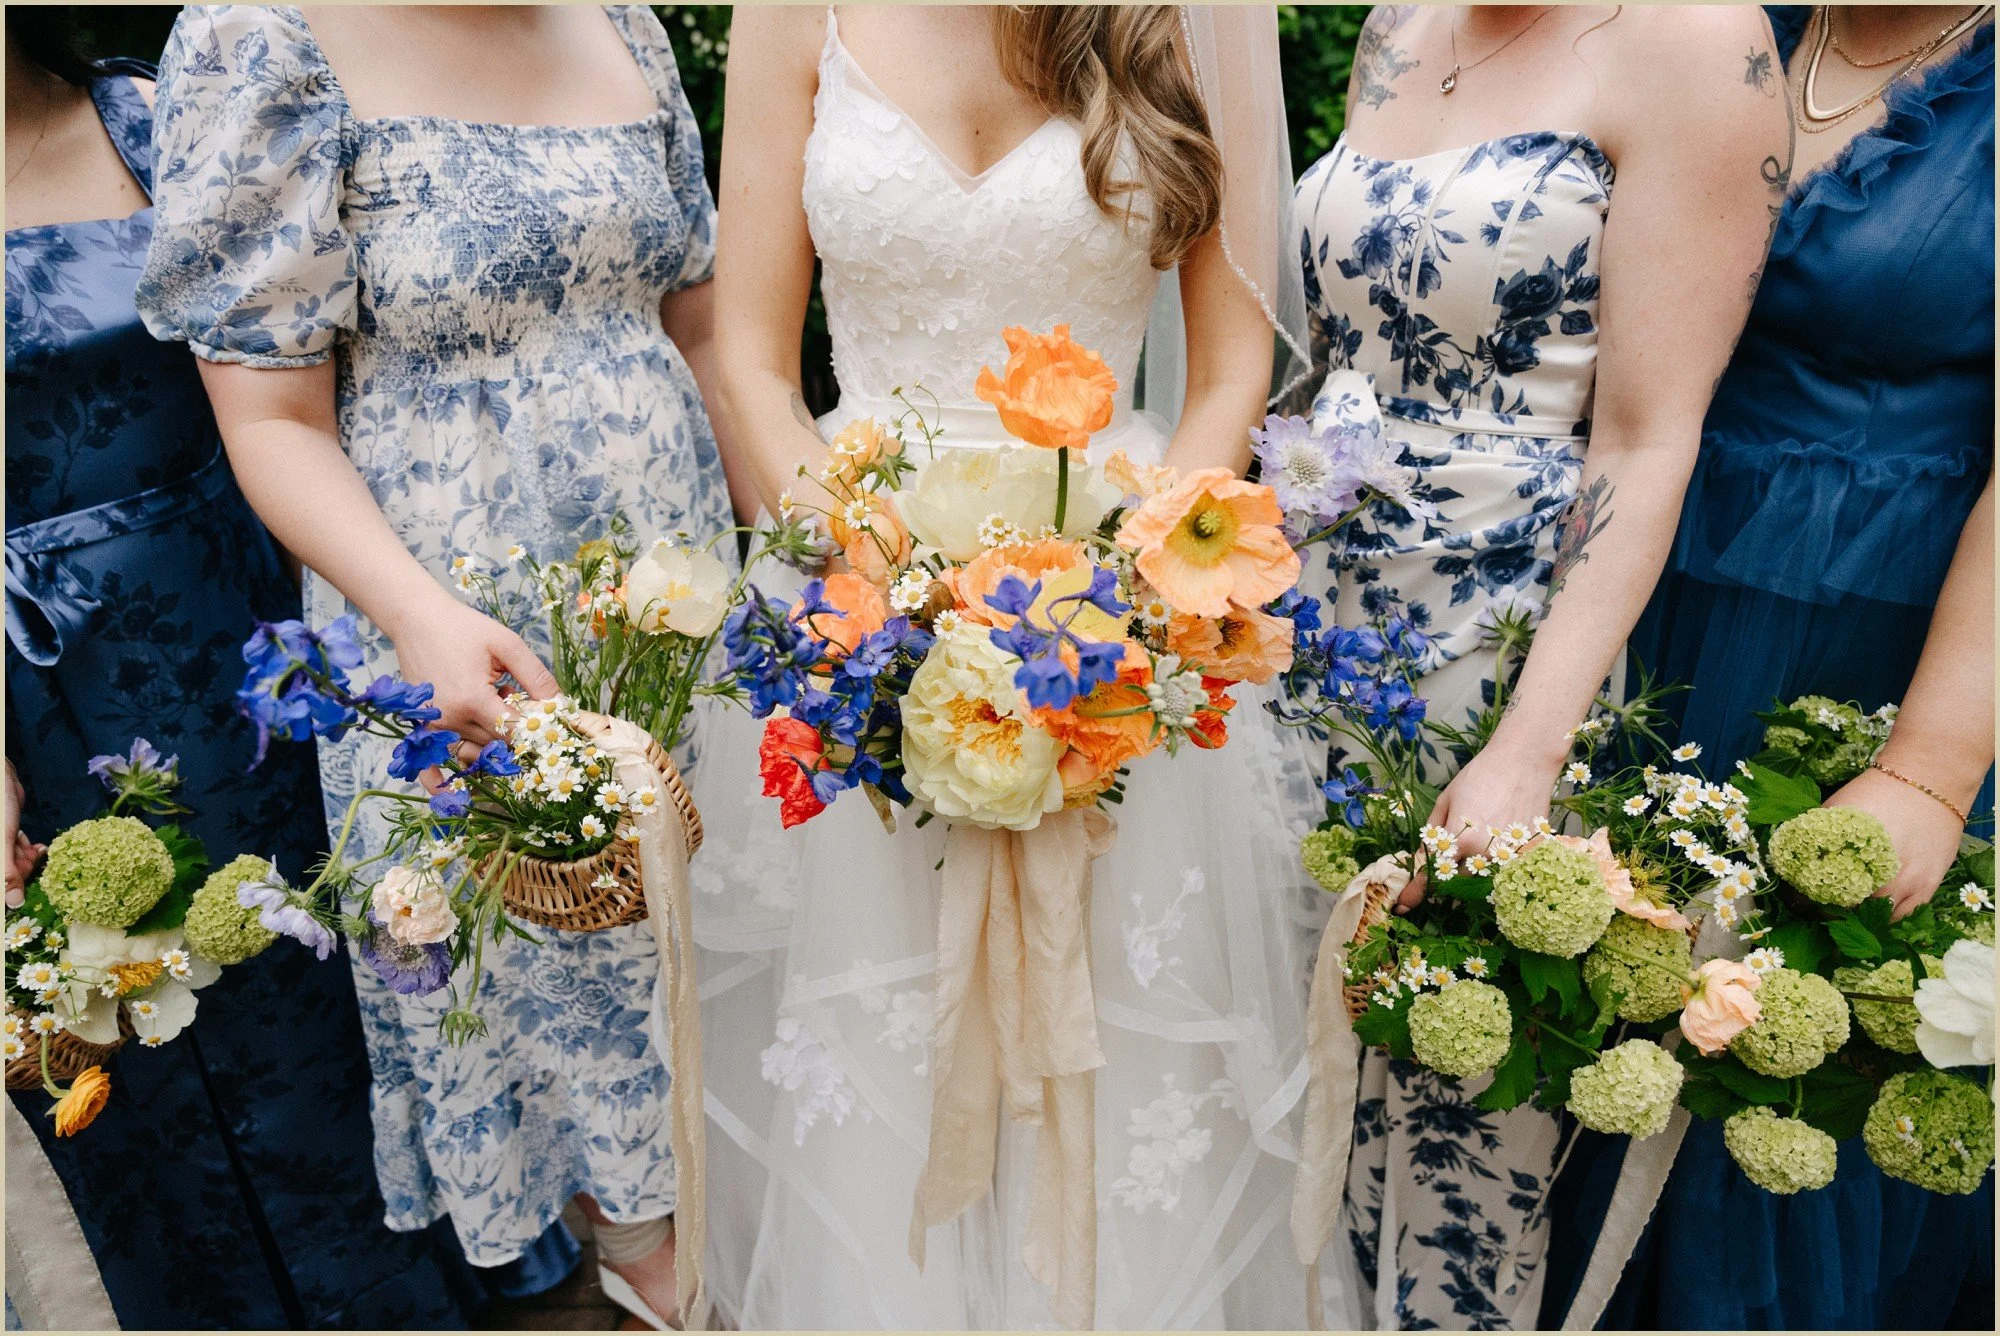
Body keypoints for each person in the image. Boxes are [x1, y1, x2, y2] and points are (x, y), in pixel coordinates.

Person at [690, 5, 1329, 1327]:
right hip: (856, 594)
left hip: (1113, 604)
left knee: (1109, 1035)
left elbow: (1230, 369)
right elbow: (754, 361)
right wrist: (884, 593)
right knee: (880, 1033)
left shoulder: (1185, 16)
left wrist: (1116, 599)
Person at [135, 6, 735, 1325]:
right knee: (577, 992)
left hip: (678, 606)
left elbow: (700, 332)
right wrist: (418, 615)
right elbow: (273, 417)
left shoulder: (625, 20)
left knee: (722, 984)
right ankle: (655, 1279)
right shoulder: (263, 43)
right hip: (460, 627)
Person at [3, 10, 569, 1325]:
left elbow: (288, 390)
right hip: (34, 719)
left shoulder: (151, 115)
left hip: (254, 663)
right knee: (127, 1060)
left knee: (340, 995)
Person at [1291, 4, 1787, 1326]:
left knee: (1456, 1111)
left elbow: (1646, 438)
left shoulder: (1699, 44)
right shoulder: (1398, 17)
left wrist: (1526, 752)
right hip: (1305, 625)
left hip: (1500, 639)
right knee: (1289, 1069)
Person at [1540, 5, 1995, 1329]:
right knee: (1588, 1026)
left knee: (1775, 1083)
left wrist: (1931, 767)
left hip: (1873, 660)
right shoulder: (1726, 30)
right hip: (1638, 611)